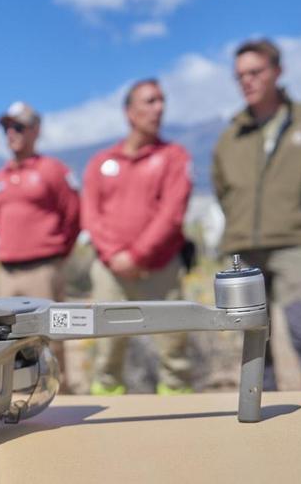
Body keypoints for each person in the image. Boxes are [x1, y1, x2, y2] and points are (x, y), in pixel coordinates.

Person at [212, 39, 301, 390]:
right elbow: (223, 189)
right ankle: (262, 418)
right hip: (244, 249)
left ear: (277, 71)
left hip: (294, 245)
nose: (247, 81)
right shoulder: (231, 136)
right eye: (240, 75)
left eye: (255, 72)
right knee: (255, 342)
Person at [82, 80, 193, 396]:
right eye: (150, 101)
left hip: (161, 270)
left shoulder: (174, 157)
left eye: (161, 101)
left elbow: (172, 214)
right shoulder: (101, 162)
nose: (159, 108)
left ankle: (180, 420)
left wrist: (137, 255)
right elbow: (90, 214)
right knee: (107, 353)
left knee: (174, 353)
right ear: (129, 112)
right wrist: (115, 255)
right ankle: (107, 423)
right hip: (110, 272)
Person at [0, 101, 80, 391]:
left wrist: (54, 254)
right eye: (6, 127)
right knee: (3, 343)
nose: (10, 133)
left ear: (36, 130)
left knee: (50, 338)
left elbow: (73, 216)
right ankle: (13, 400)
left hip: (43, 270)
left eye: (18, 126)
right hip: (7, 274)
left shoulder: (53, 171)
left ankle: (59, 397)